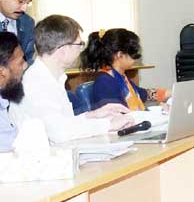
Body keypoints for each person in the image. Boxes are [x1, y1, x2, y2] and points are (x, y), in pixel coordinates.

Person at [9, 15, 134, 143]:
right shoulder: (36, 82)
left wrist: (93, 115)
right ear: (63, 50)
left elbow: (63, 122)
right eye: (79, 44)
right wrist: (109, 125)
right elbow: (59, 133)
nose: (81, 49)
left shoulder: (52, 77)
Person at [80, 28, 170, 110]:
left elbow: (144, 94)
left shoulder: (121, 77)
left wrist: (170, 93)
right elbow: (119, 117)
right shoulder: (105, 82)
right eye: (133, 53)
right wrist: (158, 111)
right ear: (120, 55)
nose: (136, 58)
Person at [0, 0, 36, 65]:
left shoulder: (27, 23)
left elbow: (27, 59)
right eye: (20, 1)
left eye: (27, 3)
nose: (24, 9)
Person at [0, 32, 28, 152]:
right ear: (2, 72)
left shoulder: (4, 100)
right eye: (20, 63)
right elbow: (10, 147)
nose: (25, 66)